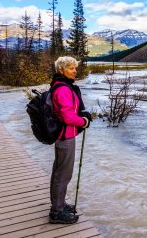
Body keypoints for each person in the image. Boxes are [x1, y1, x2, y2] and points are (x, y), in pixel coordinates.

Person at [49, 56, 92, 224]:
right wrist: (84, 121)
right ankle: (56, 213)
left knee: (59, 173)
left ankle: (58, 205)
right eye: (71, 68)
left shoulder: (61, 86)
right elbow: (67, 117)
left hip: (63, 136)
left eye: (75, 68)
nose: (75, 71)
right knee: (63, 175)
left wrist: (82, 116)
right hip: (65, 137)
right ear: (61, 70)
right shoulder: (63, 89)